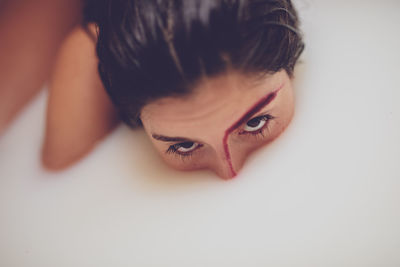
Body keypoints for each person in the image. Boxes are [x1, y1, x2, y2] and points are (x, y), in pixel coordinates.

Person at [10, 0, 305, 179]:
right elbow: (59, 184)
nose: (231, 174)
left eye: (256, 122)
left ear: (293, 49)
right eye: (184, 146)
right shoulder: (93, 58)